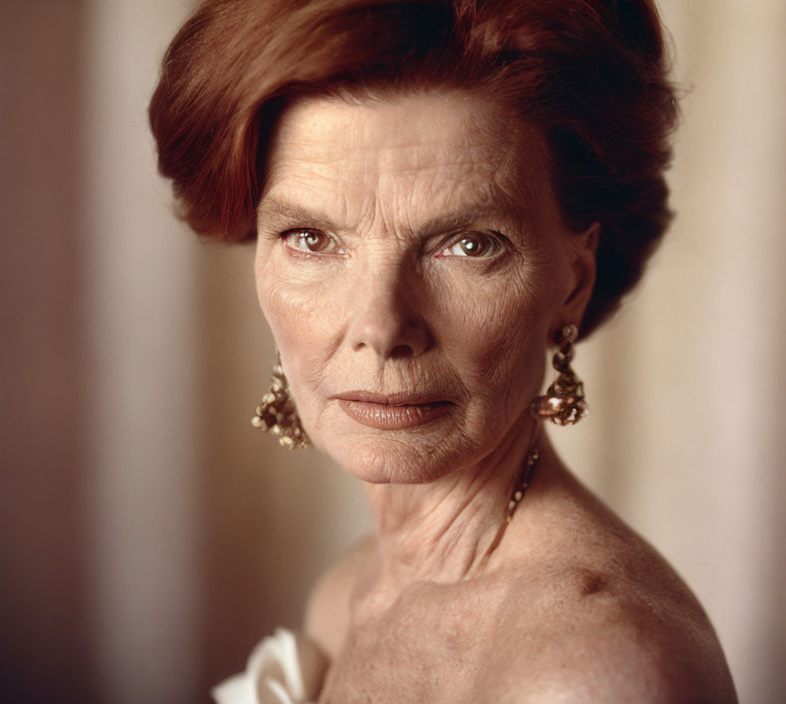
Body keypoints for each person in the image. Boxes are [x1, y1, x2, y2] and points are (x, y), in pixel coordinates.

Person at [150, 0, 738, 701]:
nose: (381, 323)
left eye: (469, 244)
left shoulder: (594, 672)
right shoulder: (350, 592)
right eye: (311, 238)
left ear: (572, 283)